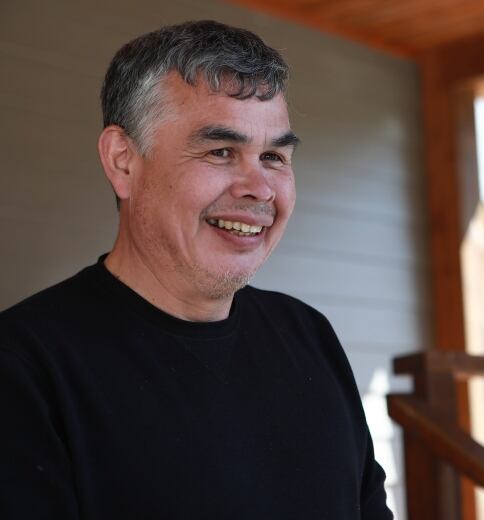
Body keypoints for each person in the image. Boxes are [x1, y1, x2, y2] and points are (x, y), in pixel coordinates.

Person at [0, 20, 392, 519]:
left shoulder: (308, 336)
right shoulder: (23, 368)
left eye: (274, 156)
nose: (260, 188)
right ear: (123, 161)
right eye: (221, 151)